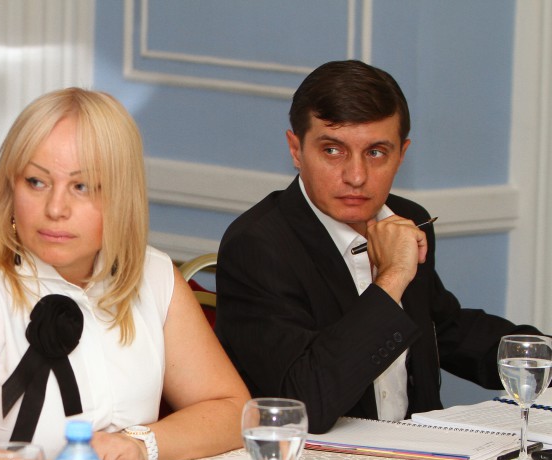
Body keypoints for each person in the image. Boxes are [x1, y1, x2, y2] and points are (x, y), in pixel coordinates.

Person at [0, 88, 249, 460]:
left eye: (82, 186)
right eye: (36, 182)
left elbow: (233, 410)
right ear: (10, 186)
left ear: (121, 195)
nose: (55, 208)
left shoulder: (153, 275)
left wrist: (140, 444)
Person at [216, 59, 541, 434]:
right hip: (315, 458)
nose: (356, 177)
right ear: (296, 149)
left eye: (375, 152)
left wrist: (541, 356)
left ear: (401, 155)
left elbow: (445, 328)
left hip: (418, 448)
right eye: (333, 150)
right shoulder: (258, 246)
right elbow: (305, 403)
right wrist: (393, 277)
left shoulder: (406, 219)